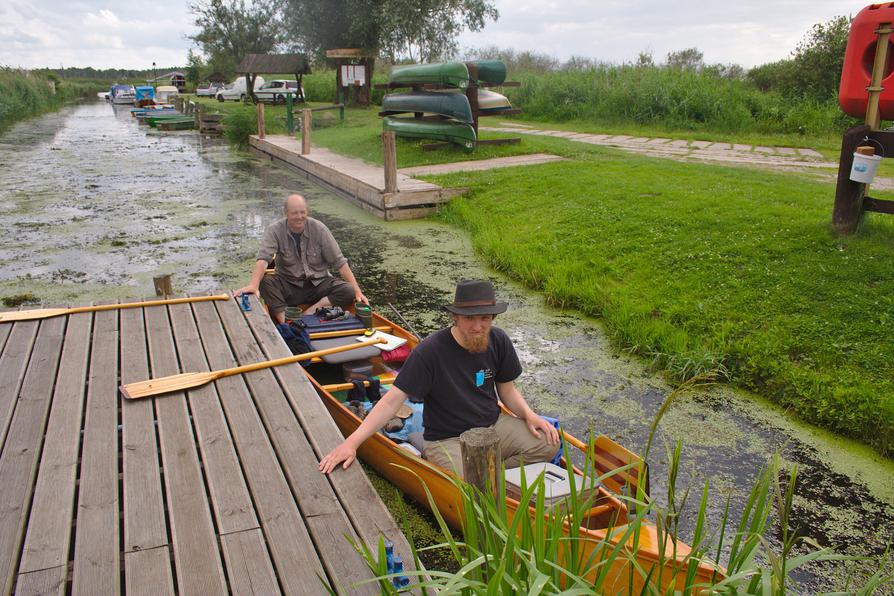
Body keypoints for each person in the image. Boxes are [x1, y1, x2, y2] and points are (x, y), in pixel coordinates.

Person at [319, 279, 560, 478]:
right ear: (455, 316)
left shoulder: (498, 340)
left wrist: (530, 416)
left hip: (493, 426)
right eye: (470, 318)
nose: (478, 326)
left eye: (485, 318)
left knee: (548, 443)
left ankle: (496, 477)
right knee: (471, 480)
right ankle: (491, 480)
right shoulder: (430, 352)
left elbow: (507, 391)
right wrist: (351, 443)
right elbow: (391, 401)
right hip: (448, 438)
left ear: (493, 317)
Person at [235, 194, 368, 324]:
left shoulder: (319, 229)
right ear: (286, 213)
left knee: (348, 290)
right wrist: (254, 285)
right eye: (294, 213)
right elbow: (263, 259)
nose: (299, 217)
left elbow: (340, 262)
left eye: (302, 212)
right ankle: (287, 323)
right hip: (289, 285)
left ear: (307, 212)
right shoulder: (275, 230)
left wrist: (357, 291)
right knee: (265, 282)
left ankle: (308, 314)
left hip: (318, 284)